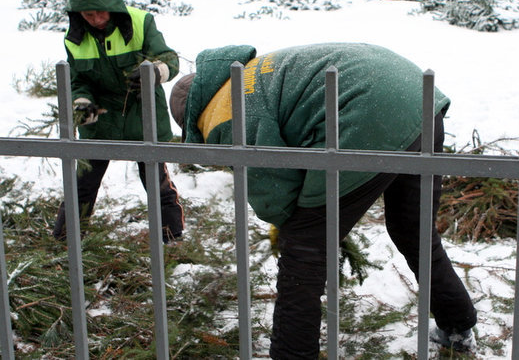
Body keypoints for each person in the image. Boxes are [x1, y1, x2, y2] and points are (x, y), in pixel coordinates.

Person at [169, 42, 478, 357]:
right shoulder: (247, 75)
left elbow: (274, 189)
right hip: (417, 96)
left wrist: (288, 226)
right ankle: (457, 324)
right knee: (413, 228)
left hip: (366, 112)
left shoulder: (222, 114)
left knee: (304, 251)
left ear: (190, 119)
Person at [52, 0, 184, 244]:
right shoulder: (74, 39)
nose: (97, 20)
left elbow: (169, 59)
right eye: (89, 15)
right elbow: (77, 80)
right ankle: (66, 240)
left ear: (111, 5)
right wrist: (82, 102)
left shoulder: (140, 22)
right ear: (78, 14)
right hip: (101, 120)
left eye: (101, 12)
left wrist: (153, 72)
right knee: (82, 185)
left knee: (157, 185)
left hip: (142, 116)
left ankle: (171, 238)